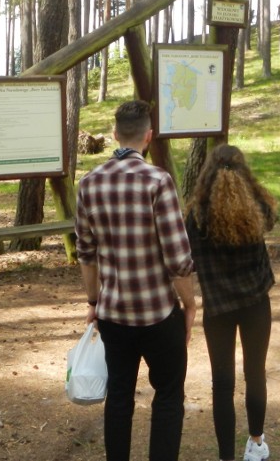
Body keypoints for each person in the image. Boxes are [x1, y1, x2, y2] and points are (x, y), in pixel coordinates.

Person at [76, 99, 197, 461]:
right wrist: (190, 304)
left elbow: (86, 255)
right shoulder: (158, 180)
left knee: (119, 398)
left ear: (115, 135)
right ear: (149, 136)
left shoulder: (89, 184)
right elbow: (178, 258)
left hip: (113, 315)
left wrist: (93, 303)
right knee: (169, 396)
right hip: (160, 313)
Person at [184, 144, 278, 461]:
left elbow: (189, 257)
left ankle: (226, 456)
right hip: (256, 304)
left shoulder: (196, 215)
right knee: (255, 373)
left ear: (207, 172)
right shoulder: (259, 207)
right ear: (243, 170)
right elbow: (271, 219)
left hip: (217, 309)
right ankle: (255, 443)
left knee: (222, 384)